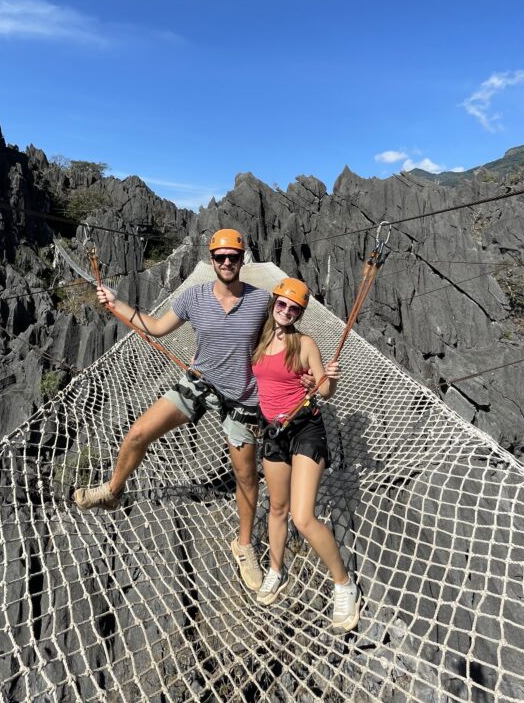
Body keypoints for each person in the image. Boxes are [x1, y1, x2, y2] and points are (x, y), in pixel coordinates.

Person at [74, 229, 270, 591]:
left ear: (243, 260)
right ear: (211, 260)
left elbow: (284, 340)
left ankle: (243, 546)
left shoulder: (263, 301)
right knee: (137, 434)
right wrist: (116, 304)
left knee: (245, 477)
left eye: (233, 256)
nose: (227, 262)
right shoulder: (194, 296)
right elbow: (157, 327)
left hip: (243, 397)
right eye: (220, 257)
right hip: (198, 383)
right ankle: (113, 492)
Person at [252, 277, 360, 632]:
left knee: (302, 517)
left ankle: (343, 585)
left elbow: (325, 391)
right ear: (273, 303)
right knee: (277, 508)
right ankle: (275, 570)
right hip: (273, 431)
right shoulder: (258, 339)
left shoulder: (304, 343)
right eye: (282, 304)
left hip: (305, 429)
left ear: (300, 313)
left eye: (294, 308)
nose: (286, 311)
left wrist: (325, 380)